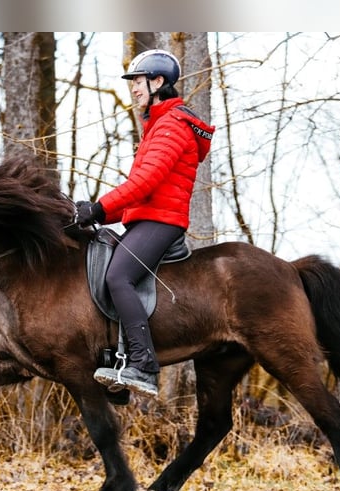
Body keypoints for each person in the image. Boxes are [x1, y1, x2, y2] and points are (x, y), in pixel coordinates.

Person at [75, 49, 215, 398]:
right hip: (147, 218)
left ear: (158, 82)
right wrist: (96, 215)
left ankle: (143, 364)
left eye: (138, 82)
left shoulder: (172, 125)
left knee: (118, 276)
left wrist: (98, 206)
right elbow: (139, 197)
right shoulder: (157, 126)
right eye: (133, 83)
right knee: (104, 270)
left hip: (163, 222)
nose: (134, 89)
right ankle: (118, 360)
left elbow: (146, 183)